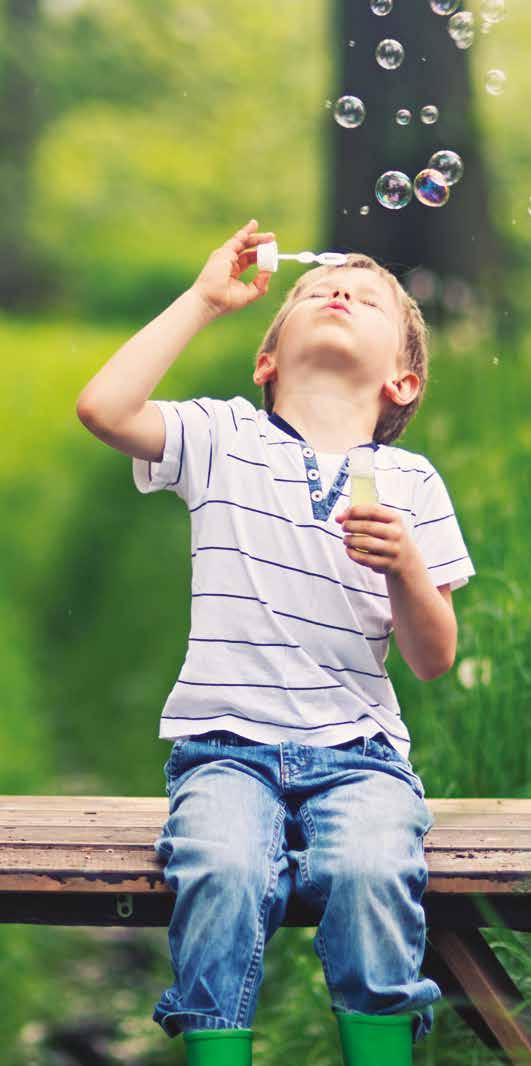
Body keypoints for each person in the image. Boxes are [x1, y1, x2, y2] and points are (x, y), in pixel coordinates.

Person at [75, 220, 477, 1066]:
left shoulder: (412, 483)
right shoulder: (222, 439)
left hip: (361, 756)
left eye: (369, 300)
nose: (339, 291)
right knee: (218, 870)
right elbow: (103, 409)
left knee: (374, 873)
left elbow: (433, 657)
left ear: (402, 380)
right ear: (267, 360)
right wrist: (204, 299)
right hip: (224, 751)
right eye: (319, 291)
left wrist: (407, 565)